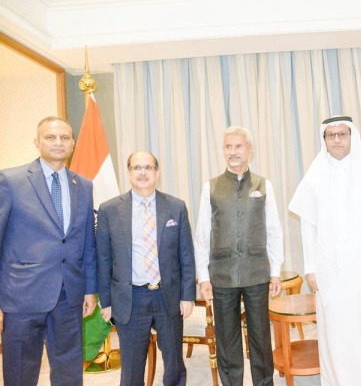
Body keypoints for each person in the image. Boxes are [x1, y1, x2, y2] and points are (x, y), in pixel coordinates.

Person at [288, 115, 361, 385]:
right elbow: (309, 227)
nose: (337, 139)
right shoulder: (315, 176)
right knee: (338, 332)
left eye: (342, 134)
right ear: (325, 140)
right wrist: (310, 268)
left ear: (352, 136)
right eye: (331, 135)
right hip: (330, 270)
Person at [0, 116, 97, 385]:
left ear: (73, 144)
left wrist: (89, 288)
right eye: (50, 137)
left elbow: (87, 240)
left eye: (64, 138)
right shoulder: (10, 180)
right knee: (20, 370)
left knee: (69, 370)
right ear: (37, 142)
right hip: (21, 295)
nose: (58, 143)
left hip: (69, 294)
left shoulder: (84, 185)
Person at [96, 151, 196, 386]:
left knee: (173, 363)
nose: (142, 172)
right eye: (137, 167)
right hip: (130, 298)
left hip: (167, 296)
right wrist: (106, 301)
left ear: (157, 173)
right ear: (129, 172)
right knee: (131, 367)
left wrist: (187, 296)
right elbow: (103, 259)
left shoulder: (175, 206)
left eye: (148, 168)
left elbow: (186, 255)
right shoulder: (109, 209)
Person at [195, 126, 284, 386]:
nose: (233, 152)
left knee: (260, 337)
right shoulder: (209, 187)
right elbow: (202, 235)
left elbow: (274, 229)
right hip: (221, 275)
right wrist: (203, 277)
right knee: (227, 339)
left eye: (238, 146)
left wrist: (276, 270)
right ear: (223, 150)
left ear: (249, 149)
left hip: (256, 272)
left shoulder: (263, 185)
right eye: (228, 147)